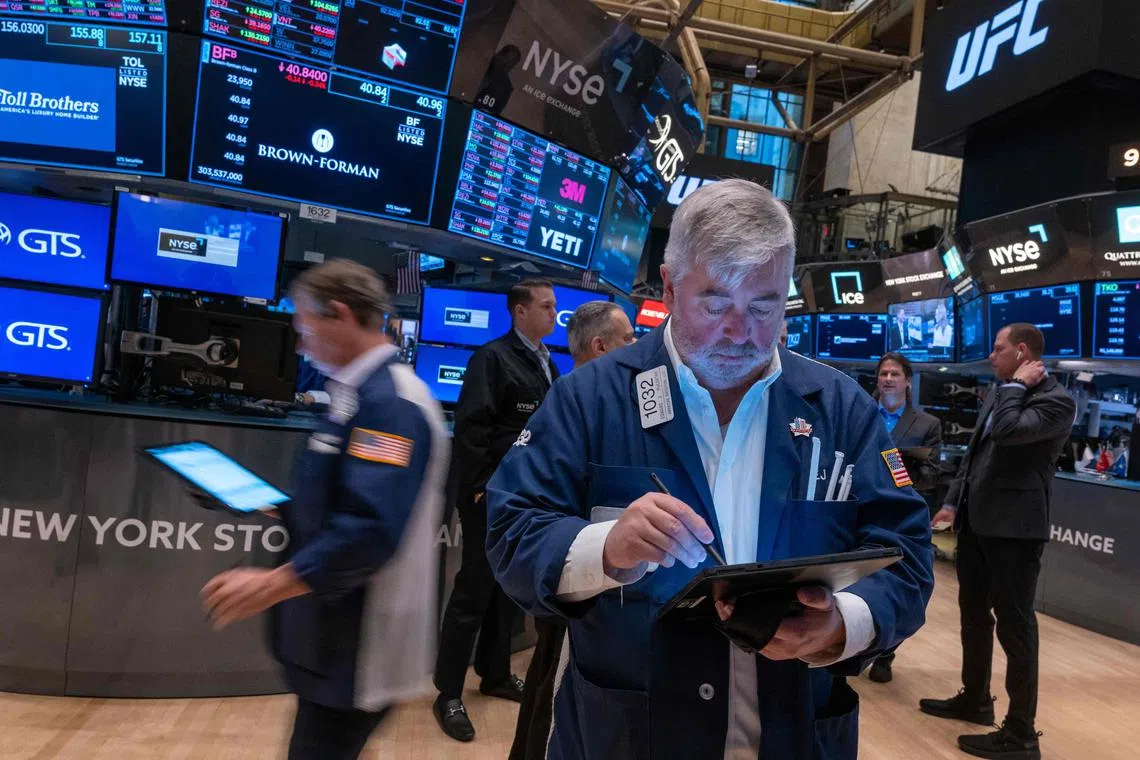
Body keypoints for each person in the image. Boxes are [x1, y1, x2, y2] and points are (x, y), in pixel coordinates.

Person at [485, 180, 934, 759]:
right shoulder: (591, 398)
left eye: (764, 307)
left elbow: (908, 554)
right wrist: (605, 548)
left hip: (795, 736)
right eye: (716, 303)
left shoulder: (841, 409)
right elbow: (512, 530)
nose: (739, 332)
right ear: (670, 287)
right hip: (625, 737)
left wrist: (843, 623)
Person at [200, 259, 449, 760]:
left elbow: (371, 531)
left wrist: (270, 585)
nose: (300, 343)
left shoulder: (392, 403)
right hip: (332, 636)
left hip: (360, 645)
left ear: (336, 313)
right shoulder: (356, 394)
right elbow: (353, 496)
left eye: (303, 326)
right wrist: (281, 508)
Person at [921, 323, 1075, 760]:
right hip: (978, 523)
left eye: (998, 348)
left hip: (1016, 532)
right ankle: (975, 698)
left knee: (1016, 626)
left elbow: (1008, 431)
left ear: (1022, 352)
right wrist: (953, 502)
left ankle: (1021, 733)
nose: (991, 356)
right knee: (973, 614)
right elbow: (973, 456)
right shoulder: (1001, 391)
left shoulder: (1056, 402)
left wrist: (1016, 388)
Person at [433, 279, 560, 742]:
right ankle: (448, 691)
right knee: (473, 591)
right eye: (546, 307)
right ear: (519, 311)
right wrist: (481, 488)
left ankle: (495, 672)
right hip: (491, 496)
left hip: (527, 497)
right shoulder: (492, 358)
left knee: (508, 592)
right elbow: (472, 429)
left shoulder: (545, 361)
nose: (554, 314)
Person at [508, 299, 636, 760]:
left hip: (580, 583)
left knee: (547, 678)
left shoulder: (604, 398)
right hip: (571, 579)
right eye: (629, 339)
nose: (638, 347)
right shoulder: (577, 402)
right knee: (553, 687)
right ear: (601, 347)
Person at [865, 352, 943, 684]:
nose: (888, 379)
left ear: (907, 381)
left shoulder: (927, 425)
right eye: (883, 373)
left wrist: (900, 469)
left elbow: (931, 477)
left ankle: (886, 651)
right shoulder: (862, 412)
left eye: (895, 373)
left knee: (899, 584)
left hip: (902, 515)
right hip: (861, 506)